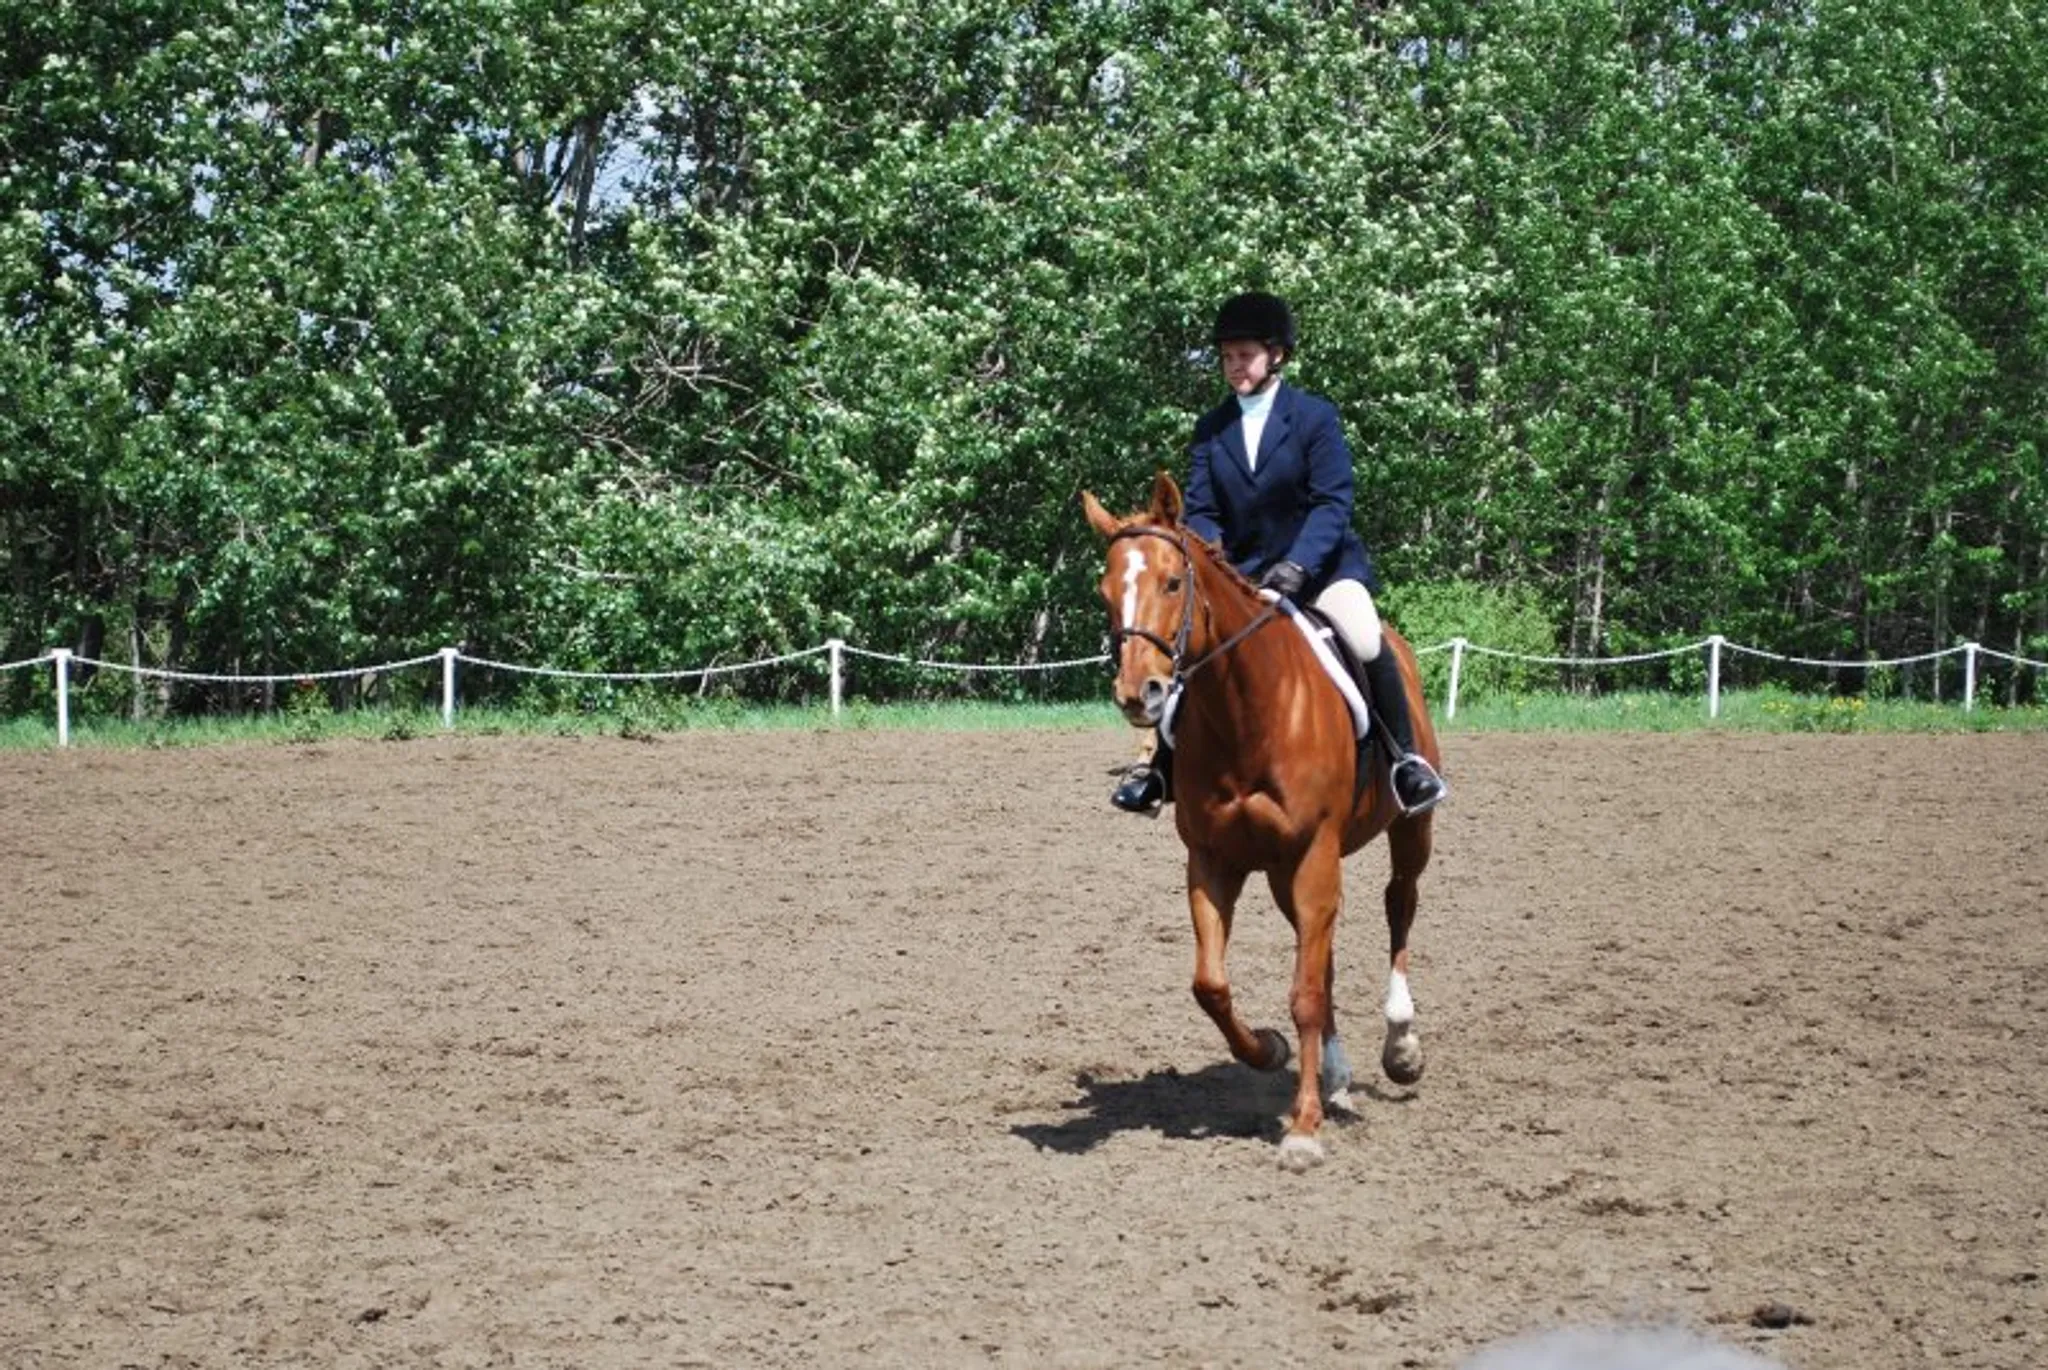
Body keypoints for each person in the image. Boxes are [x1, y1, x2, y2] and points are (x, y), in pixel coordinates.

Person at [1111, 290, 1449, 817]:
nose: (1234, 366)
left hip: (1320, 572)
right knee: (1188, 652)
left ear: (1277, 356)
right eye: (1226, 357)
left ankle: (1406, 763)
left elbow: (1332, 501)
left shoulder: (1314, 418)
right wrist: (1217, 565)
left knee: (1365, 638)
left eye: (1244, 355)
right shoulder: (1211, 429)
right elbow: (1201, 510)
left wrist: (1298, 565)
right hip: (1240, 578)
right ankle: (1161, 771)